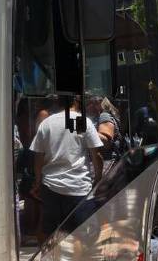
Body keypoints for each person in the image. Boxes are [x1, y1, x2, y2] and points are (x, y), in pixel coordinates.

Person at [30, 97, 104, 238]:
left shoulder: (46, 124)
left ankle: (49, 259)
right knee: (81, 236)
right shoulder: (84, 122)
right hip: (78, 188)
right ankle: (77, 259)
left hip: (50, 187)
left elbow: (38, 156)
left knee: (49, 233)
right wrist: (98, 178)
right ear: (76, 101)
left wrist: (38, 181)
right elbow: (97, 155)